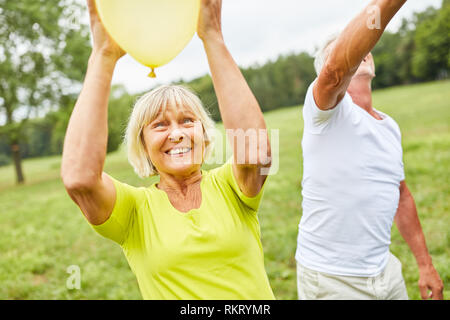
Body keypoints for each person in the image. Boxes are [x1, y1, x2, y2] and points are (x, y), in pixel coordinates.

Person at [61, 0, 275, 300]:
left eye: (188, 121)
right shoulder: (134, 211)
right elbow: (79, 180)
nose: (176, 134)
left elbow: (256, 153)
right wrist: (103, 55)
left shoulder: (231, 186)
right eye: (160, 126)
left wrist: (212, 36)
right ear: (143, 145)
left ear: (203, 133)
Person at [295, 0, 444, 300]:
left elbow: (401, 196)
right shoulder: (324, 113)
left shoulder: (390, 127)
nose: (359, 52)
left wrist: (425, 265)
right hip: (331, 279)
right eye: (343, 49)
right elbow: (338, 67)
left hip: (386, 273)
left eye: (363, 47)